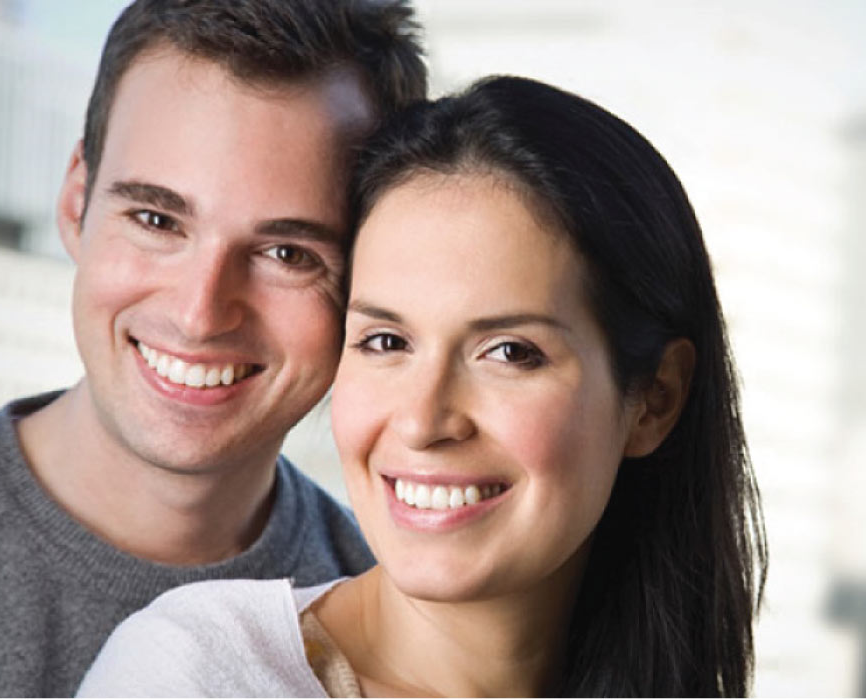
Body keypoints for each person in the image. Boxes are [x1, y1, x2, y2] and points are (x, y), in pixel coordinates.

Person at [77, 75, 769, 697]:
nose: (422, 419)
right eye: (386, 342)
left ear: (655, 398)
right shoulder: (194, 676)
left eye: (508, 352)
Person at [0, 1, 426, 696]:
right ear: (76, 200)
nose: (199, 313)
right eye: (156, 219)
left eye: (286, 252)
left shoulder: (395, 620)